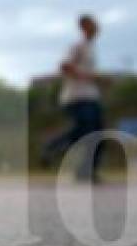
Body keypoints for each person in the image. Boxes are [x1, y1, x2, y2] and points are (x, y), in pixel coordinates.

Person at [41, 14, 105, 183]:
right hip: (77, 97)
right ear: (84, 27)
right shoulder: (78, 46)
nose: (97, 28)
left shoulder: (91, 47)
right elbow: (65, 66)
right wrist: (88, 77)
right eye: (93, 25)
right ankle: (56, 148)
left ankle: (57, 149)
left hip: (90, 96)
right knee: (89, 132)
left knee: (94, 133)